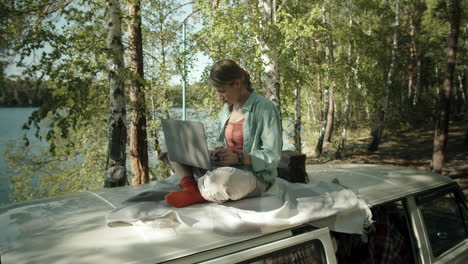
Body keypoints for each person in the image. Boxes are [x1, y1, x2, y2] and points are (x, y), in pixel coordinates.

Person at [164, 59, 282, 208]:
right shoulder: (227, 109)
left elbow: (273, 156)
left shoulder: (265, 108)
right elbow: (223, 144)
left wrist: (239, 158)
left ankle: (194, 188)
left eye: (222, 91)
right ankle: (193, 188)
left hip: (253, 176)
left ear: (237, 83)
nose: (219, 97)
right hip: (223, 168)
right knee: (174, 151)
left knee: (225, 180)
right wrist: (216, 153)